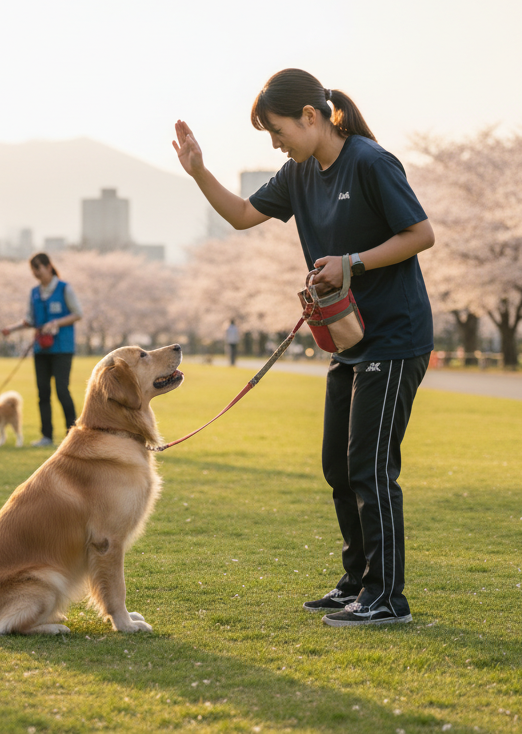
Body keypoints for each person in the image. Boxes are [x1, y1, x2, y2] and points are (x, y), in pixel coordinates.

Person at [173, 69, 435, 627]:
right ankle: (357, 583)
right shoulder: (297, 174)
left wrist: (352, 262)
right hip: (350, 339)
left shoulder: (370, 162)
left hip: (395, 338)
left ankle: (387, 596)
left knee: (370, 467)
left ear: (311, 117)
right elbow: (243, 216)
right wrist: (198, 173)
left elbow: (420, 235)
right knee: (338, 467)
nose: (275, 143)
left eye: (278, 130)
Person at [2, 253, 83, 448]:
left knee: (62, 390)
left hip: (62, 348)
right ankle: (46, 436)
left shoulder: (64, 289)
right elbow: (30, 319)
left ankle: (72, 435)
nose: (35, 273)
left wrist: (56, 322)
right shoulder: (35, 292)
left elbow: (77, 314)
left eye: (37, 268)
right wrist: (11, 329)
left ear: (48, 267)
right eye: (33, 270)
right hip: (41, 349)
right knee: (43, 392)